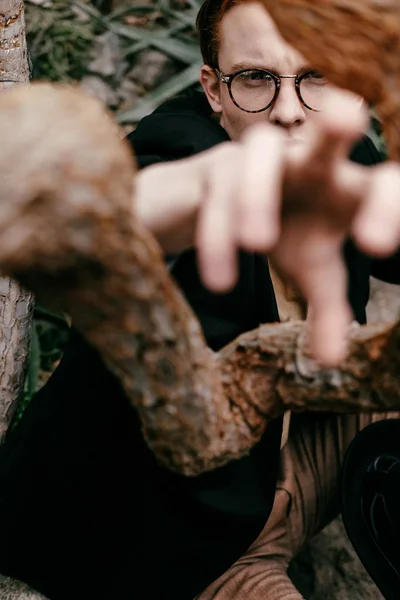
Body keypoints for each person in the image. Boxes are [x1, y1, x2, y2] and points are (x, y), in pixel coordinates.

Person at [0, 3, 399, 600]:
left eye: (317, 76)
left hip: (297, 456)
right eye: (256, 79)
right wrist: (137, 217)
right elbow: (118, 226)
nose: (288, 112)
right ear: (214, 90)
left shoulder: (340, 152)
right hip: (186, 544)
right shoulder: (178, 155)